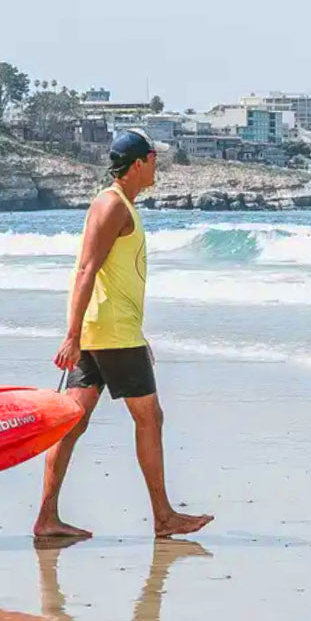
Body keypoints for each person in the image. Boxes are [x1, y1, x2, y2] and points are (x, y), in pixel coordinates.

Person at [37, 129, 213, 538]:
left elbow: (109, 277)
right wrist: (71, 334)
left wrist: (112, 333)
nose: (156, 166)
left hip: (109, 331)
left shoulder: (118, 205)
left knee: (72, 424)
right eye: (152, 158)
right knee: (149, 418)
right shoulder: (112, 205)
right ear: (137, 164)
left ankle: (47, 518)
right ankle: (164, 517)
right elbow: (86, 269)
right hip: (110, 335)